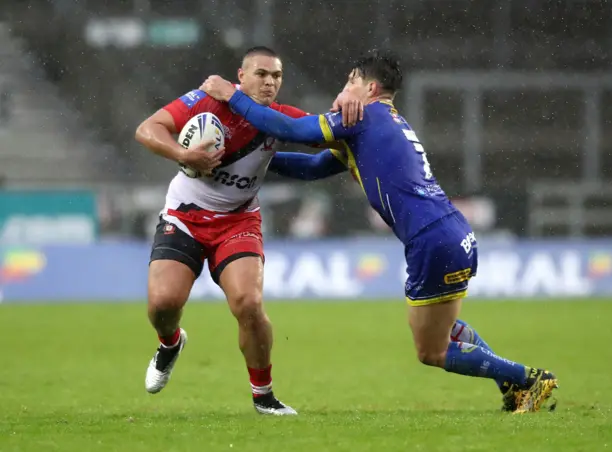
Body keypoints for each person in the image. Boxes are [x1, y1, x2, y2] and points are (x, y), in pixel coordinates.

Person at [195, 50, 559, 413]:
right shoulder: (384, 120)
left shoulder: (363, 117)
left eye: (350, 81)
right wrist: (250, 163)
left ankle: (529, 378)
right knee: (444, 329)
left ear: (368, 87)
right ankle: (512, 386)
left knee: (431, 351)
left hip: (432, 239)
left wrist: (232, 96)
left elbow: (291, 130)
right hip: (452, 232)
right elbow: (313, 168)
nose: (344, 89)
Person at [134, 46, 308, 416]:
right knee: (162, 305)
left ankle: (264, 397)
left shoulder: (276, 119)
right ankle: (170, 343)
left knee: (249, 303)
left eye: (276, 76)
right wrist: (184, 156)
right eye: (261, 74)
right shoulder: (204, 100)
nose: (269, 82)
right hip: (184, 217)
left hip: (238, 222)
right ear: (240, 76)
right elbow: (147, 129)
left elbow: (325, 132)